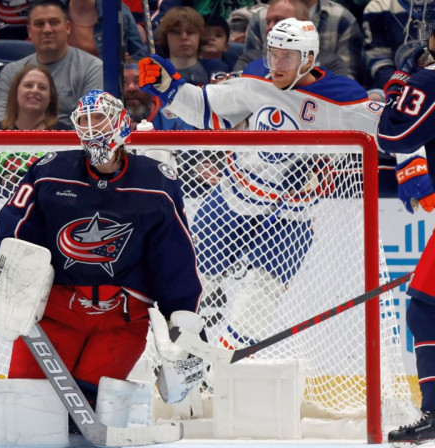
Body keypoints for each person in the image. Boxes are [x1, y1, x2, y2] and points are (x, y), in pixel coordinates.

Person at [139, 18, 382, 346]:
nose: (276, 64)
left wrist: (416, 170)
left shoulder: (341, 98)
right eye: (273, 54)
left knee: (261, 297)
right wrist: (171, 87)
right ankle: (185, 356)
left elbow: (394, 128)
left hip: (290, 218)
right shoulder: (255, 78)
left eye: (287, 57)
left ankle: (224, 367)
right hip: (232, 200)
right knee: (193, 281)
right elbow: (207, 109)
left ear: (308, 59)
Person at [0, 89, 203, 410]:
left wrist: (183, 324)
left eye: (99, 118)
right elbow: (10, 233)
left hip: (121, 320)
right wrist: (13, 276)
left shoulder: (156, 183)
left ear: (121, 124)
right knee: (25, 405)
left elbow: (174, 260)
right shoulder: (49, 171)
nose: (92, 128)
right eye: (84, 120)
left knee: (90, 410)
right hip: (55, 314)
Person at [376, 26, 435, 446]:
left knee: (425, 312)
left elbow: (393, 134)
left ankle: (433, 411)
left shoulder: (430, 80)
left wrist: (399, 90)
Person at [0, 0, 103, 127]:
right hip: (17, 144)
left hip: (71, 144)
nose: (47, 30)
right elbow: (2, 124)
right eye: (39, 24)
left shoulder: (92, 68)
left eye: (54, 22)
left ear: (68, 27)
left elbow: (91, 126)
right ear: (29, 31)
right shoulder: (11, 72)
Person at [233, 0, 361, 80]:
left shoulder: (342, 19)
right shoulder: (258, 19)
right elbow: (245, 79)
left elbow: (346, 83)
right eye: (268, 22)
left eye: (279, 21)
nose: (271, 27)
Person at [363, 0, 435, 100]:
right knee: (373, 98)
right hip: (395, 87)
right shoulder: (379, 6)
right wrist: (400, 89)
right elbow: (379, 61)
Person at [154, 7, 228, 86]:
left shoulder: (215, 67)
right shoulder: (156, 73)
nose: (184, 37)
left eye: (190, 32)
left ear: (200, 35)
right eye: (177, 32)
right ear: (166, 37)